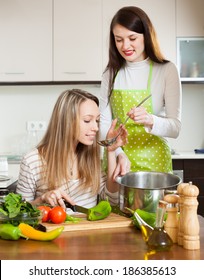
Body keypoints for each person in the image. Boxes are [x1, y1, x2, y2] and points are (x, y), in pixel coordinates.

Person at [100, 6, 182, 175]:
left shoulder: (166, 70)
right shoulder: (111, 73)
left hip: (155, 163)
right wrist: (118, 153)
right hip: (117, 161)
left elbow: (175, 128)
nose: (125, 46)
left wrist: (150, 120)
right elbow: (104, 123)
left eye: (132, 38)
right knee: (113, 203)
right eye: (119, 39)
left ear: (146, 35)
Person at [16, 89, 127, 209]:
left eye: (97, 120)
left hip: (88, 228)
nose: (95, 127)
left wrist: (111, 151)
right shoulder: (32, 161)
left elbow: (111, 202)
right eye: (87, 120)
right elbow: (19, 213)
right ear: (66, 121)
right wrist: (41, 199)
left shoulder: (91, 156)